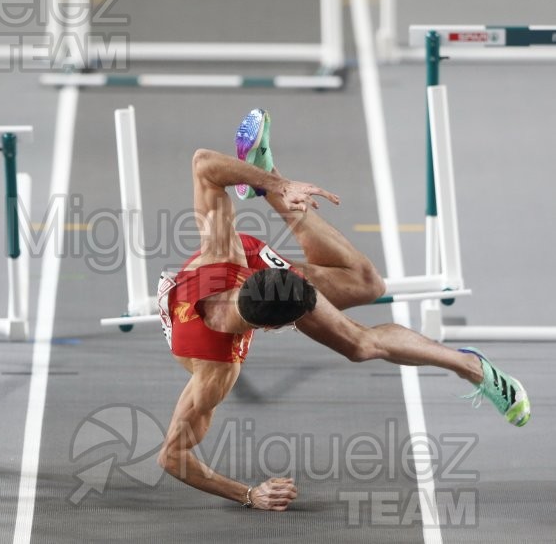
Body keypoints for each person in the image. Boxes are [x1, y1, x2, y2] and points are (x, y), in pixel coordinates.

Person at [155, 109, 530, 511]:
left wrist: (284, 185)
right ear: (275, 328)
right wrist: (248, 494)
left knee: (368, 284)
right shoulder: (216, 372)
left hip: (225, 276)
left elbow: (203, 163)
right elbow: (171, 457)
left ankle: (270, 180)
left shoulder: (222, 255)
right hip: (209, 317)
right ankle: (470, 366)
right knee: (360, 344)